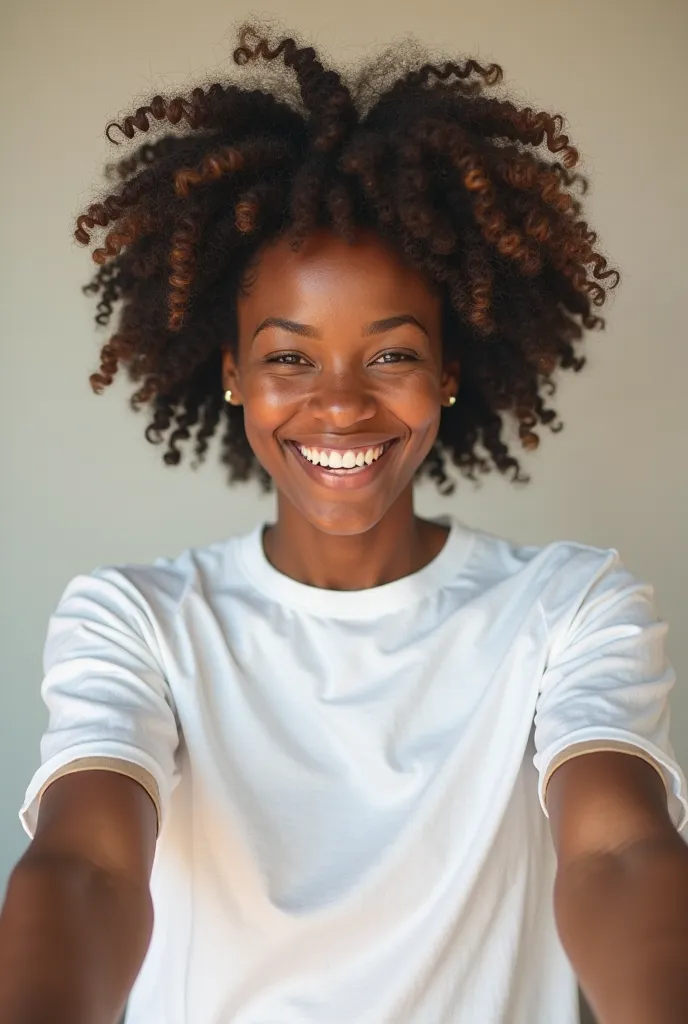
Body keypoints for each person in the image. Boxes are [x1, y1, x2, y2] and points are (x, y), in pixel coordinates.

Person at [0, 20, 686, 1024]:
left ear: (450, 372)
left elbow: (619, 848)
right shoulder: (136, 619)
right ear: (231, 373)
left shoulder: (569, 607)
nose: (340, 405)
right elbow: (87, 865)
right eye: (288, 357)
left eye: (391, 355)